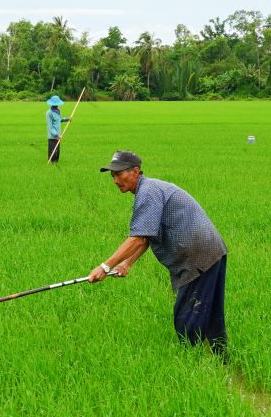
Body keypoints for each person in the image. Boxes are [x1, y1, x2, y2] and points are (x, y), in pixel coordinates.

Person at [87, 151, 229, 353]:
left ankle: (192, 363)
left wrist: (104, 266)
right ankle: (220, 359)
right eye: (113, 176)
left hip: (198, 255)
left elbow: (137, 238)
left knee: (187, 318)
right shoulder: (149, 189)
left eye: (119, 174)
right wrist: (127, 263)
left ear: (135, 171)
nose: (116, 180)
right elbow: (147, 236)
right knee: (210, 314)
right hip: (209, 251)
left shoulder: (148, 192)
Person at [45, 95, 69, 164]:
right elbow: (50, 126)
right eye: (55, 104)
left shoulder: (58, 111)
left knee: (57, 151)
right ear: (52, 104)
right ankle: (52, 163)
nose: (56, 106)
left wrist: (67, 119)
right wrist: (56, 135)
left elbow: (60, 119)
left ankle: (56, 162)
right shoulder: (49, 113)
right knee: (52, 151)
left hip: (58, 134)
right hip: (52, 136)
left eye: (57, 104)